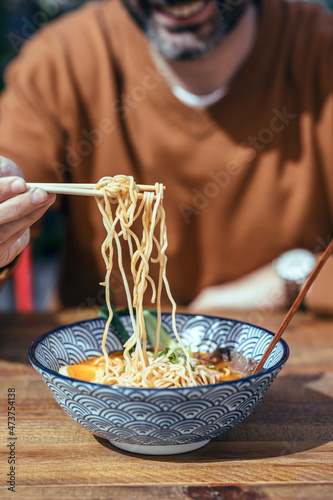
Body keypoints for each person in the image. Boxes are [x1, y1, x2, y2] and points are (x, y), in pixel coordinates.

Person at [0, 0, 332, 313]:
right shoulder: (63, 60)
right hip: (98, 361)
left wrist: (295, 280)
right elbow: (14, 169)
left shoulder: (319, 54)